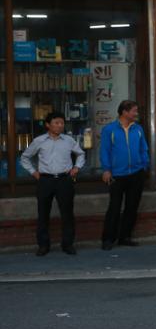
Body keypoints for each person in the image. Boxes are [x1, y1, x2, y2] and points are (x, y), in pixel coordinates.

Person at [20, 111, 85, 256]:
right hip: (45, 180)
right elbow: (25, 157)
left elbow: (81, 154)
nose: (60, 125)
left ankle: (67, 244)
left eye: (62, 123)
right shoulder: (39, 141)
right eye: (56, 123)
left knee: (67, 214)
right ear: (48, 125)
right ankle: (43, 245)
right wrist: (33, 172)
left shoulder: (69, 140)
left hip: (64, 180)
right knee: (43, 214)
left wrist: (77, 167)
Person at [100, 100, 149, 250]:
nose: (136, 114)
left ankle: (125, 237)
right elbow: (105, 151)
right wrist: (107, 169)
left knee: (132, 207)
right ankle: (108, 239)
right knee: (114, 207)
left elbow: (144, 149)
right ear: (124, 112)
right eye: (133, 111)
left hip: (136, 173)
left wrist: (144, 164)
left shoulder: (138, 129)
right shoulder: (110, 129)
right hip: (117, 175)